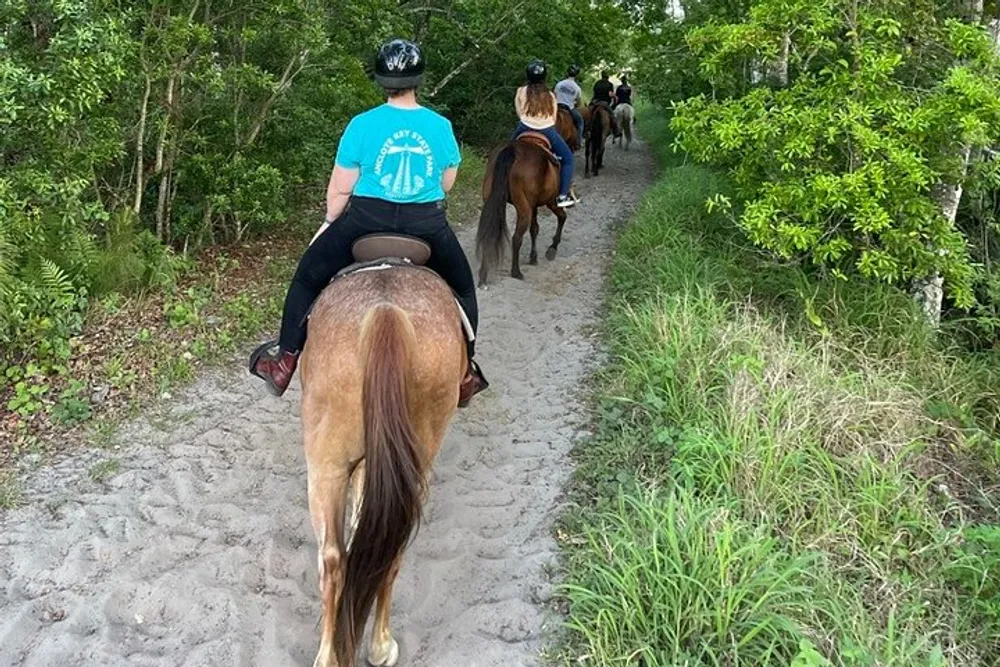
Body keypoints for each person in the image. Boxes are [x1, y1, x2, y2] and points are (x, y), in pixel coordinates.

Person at [249, 38, 488, 407]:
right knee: (464, 288)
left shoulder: (362, 124)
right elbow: (446, 183)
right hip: (426, 226)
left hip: (364, 222)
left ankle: (283, 362)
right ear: (419, 80)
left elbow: (341, 188)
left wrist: (329, 222)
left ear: (381, 81)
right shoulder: (439, 125)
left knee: (307, 277)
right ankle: (465, 373)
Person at [510, 60, 575, 208]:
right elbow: (553, 118)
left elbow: (519, 113)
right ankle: (563, 196)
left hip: (523, 127)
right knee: (568, 158)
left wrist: (528, 121)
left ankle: (496, 186)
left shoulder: (521, 91)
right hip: (547, 130)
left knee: (504, 154)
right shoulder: (550, 95)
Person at [554, 64, 585, 149]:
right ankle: (579, 142)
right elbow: (579, 103)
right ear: (577, 75)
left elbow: (554, 96)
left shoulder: (559, 84)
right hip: (569, 108)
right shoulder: (577, 88)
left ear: (567, 73)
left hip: (556, 107)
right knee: (580, 122)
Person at [590, 69, 621, 138]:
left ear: (601, 76)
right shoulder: (609, 84)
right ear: (607, 76)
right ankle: (616, 131)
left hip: (595, 102)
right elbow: (610, 95)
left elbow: (594, 93)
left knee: (588, 113)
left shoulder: (597, 83)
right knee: (612, 115)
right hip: (604, 103)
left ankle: (586, 130)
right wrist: (615, 97)